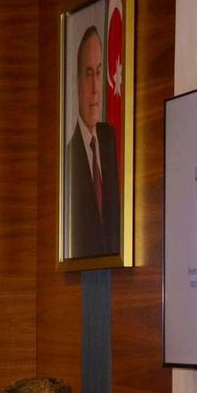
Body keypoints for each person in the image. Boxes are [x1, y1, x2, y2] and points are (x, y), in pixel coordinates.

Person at [67, 25, 121, 259]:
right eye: (88, 74)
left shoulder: (109, 138)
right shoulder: (69, 157)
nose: (95, 89)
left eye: (99, 73)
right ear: (78, 82)